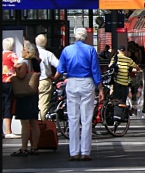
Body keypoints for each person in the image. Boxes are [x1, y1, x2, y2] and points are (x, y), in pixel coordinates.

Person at [57, 27, 103, 161]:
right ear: (86, 38)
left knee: (73, 117)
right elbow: (95, 70)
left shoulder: (67, 50)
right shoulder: (90, 50)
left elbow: (61, 69)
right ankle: (85, 151)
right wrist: (100, 88)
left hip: (72, 82)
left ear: (74, 37)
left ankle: (74, 152)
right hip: (87, 83)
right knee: (86, 118)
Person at [10, 42, 41, 156]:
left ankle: (24, 147)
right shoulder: (36, 62)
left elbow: (21, 75)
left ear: (28, 52)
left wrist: (16, 68)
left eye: (23, 49)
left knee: (25, 122)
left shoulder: (24, 63)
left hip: (24, 95)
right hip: (33, 94)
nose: (22, 51)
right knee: (33, 121)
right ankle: (35, 147)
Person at [109, 46, 139, 121]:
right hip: (124, 83)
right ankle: (121, 116)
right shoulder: (128, 59)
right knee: (122, 99)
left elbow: (109, 66)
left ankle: (115, 114)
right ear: (125, 51)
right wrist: (137, 69)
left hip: (116, 82)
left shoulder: (115, 58)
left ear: (118, 51)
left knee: (116, 99)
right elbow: (136, 66)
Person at [35, 34, 60, 121]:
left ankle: (31, 125)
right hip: (44, 80)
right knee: (43, 105)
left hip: (31, 81)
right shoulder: (48, 54)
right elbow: (59, 66)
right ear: (45, 43)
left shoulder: (31, 53)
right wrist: (55, 77)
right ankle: (40, 124)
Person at [3, 38, 20, 139]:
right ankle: (8, 131)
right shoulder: (12, 55)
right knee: (8, 104)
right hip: (8, 81)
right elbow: (18, 65)